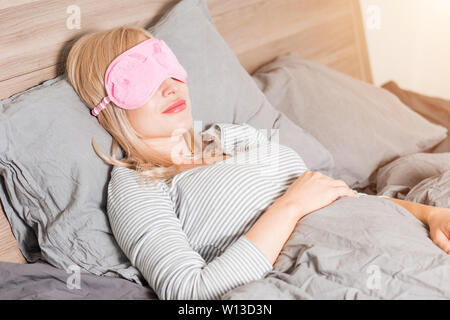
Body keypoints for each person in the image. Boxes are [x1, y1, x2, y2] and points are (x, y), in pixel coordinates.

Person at [65, 26, 450, 300]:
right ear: (107, 105)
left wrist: (427, 215)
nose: (169, 85)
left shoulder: (234, 134)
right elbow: (189, 294)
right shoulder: (136, 183)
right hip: (338, 271)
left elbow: (336, 196)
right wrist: (290, 206)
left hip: (394, 235)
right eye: (139, 77)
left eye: (165, 64)